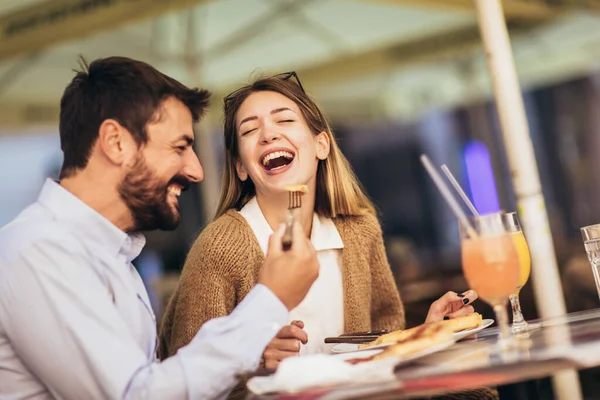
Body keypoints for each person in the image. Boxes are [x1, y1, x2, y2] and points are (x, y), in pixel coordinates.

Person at [0, 57, 321, 400]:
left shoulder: (111, 254)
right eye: (180, 147)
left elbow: (158, 380)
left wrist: (252, 352)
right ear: (116, 142)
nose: (196, 170)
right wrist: (270, 299)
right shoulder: (39, 250)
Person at [158, 72, 487, 399]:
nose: (268, 134)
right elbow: (184, 382)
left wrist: (428, 336)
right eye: (249, 129)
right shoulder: (219, 248)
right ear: (241, 166)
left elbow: (383, 348)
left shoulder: (360, 230)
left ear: (321, 144)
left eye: (284, 120)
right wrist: (255, 364)